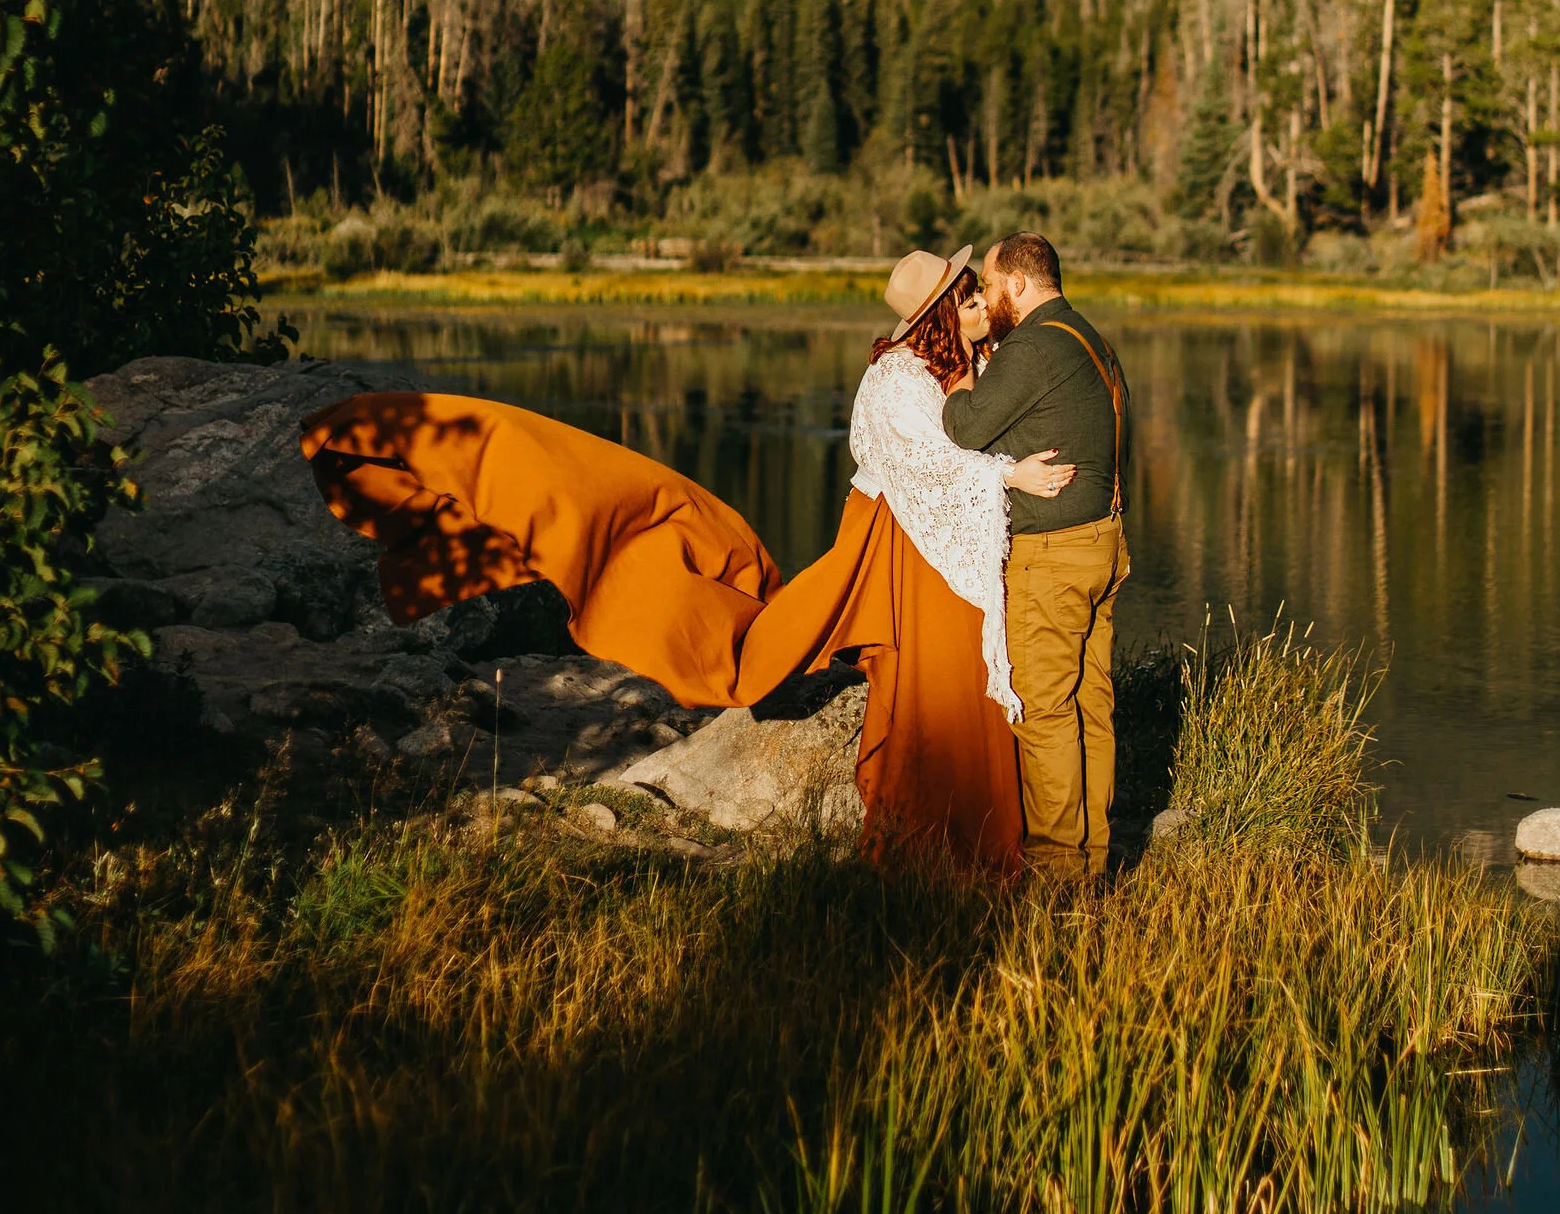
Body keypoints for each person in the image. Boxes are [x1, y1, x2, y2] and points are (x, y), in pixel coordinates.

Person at [297, 249, 1072, 869]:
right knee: (856, 661)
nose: (980, 308)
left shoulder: (961, 365)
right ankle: (943, 834)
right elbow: (925, 466)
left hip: (925, 545)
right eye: (968, 298)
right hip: (891, 544)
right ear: (940, 314)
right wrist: (1012, 475)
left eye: (979, 294)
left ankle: (982, 831)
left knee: (955, 676)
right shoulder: (896, 380)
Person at [941, 233, 1133, 881]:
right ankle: (1094, 860)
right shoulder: (1087, 338)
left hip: (1052, 557)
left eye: (991, 287)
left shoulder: (1031, 347)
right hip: (1105, 543)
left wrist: (964, 353)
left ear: (1017, 285)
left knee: (1046, 711)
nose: (986, 299)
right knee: (1089, 706)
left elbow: (966, 425)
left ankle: (1057, 877)